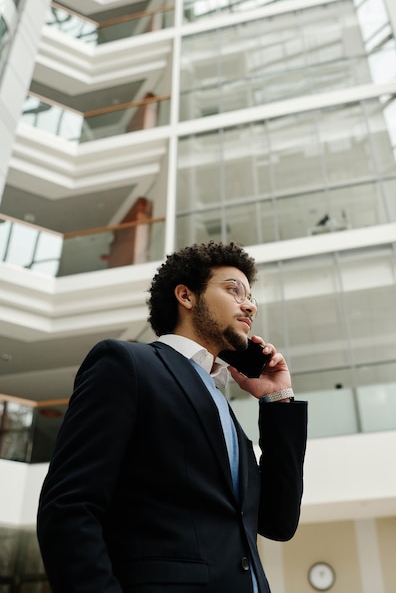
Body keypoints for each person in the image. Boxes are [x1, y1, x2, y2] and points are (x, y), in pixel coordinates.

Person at [37, 241, 307, 593]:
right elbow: (69, 507)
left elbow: (278, 522)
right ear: (186, 296)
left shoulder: (222, 405)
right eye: (233, 290)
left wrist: (277, 400)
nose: (249, 305)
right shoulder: (126, 364)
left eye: (252, 297)